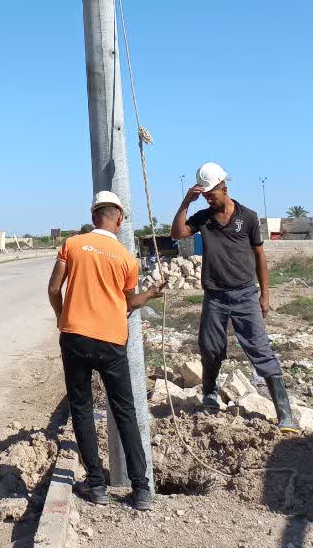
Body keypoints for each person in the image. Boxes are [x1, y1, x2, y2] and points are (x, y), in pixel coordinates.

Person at [47, 192, 166, 511]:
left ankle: (96, 485)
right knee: (124, 410)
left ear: (93, 215)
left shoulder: (72, 245)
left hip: (75, 337)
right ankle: (141, 490)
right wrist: (152, 293)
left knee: (82, 408)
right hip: (112, 341)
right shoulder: (127, 258)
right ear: (119, 219)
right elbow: (129, 302)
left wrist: (63, 317)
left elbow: (54, 288)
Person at [171, 162, 299, 433]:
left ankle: (284, 412)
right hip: (215, 297)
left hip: (245, 295)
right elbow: (177, 233)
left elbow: (259, 256)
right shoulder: (203, 218)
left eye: (211, 194)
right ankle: (210, 394)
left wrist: (265, 294)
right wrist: (186, 203)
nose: (208, 199)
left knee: (260, 349)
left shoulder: (248, 217)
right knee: (210, 347)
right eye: (204, 195)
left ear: (224, 188)